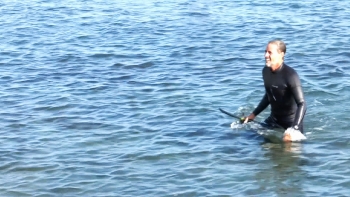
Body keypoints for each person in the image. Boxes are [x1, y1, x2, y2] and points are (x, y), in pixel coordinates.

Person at [243, 40, 307, 142]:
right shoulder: (265, 71)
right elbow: (268, 96)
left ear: (281, 54)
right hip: (273, 120)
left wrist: (294, 129)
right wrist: (253, 114)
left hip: (291, 122)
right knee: (250, 136)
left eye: (270, 52)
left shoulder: (290, 75)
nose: (265, 55)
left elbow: (302, 103)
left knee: (286, 151)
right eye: (265, 52)